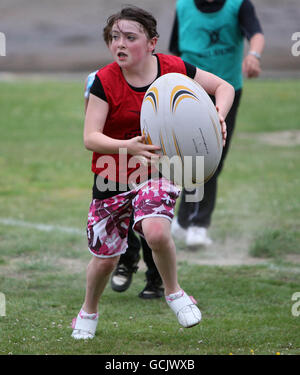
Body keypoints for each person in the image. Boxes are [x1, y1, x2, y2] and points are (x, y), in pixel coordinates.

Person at [71, 6, 234, 340]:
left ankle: (174, 292)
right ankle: (89, 309)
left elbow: (225, 88)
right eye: (115, 37)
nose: (120, 44)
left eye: (130, 37)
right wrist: (127, 146)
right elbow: (90, 138)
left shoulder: (172, 70)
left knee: (157, 232)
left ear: (152, 43)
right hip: (111, 176)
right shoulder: (104, 81)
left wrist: (217, 115)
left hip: (158, 172)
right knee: (104, 260)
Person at [169, 0, 265, 246]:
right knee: (197, 157)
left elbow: (256, 34)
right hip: (190, 92)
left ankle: (183, 222)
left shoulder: (238, 4)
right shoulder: (183, 7)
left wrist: (253, 55)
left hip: (226, 92)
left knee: (214, 159)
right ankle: (196, 224)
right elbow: (174, 51)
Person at [84, 71, 164, 299]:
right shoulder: (97, 80)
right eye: (115, 38)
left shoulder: (160, 76)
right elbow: (92, 130)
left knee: (152, 225)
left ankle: (156, 277)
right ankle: (127, 261)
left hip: (151, 165)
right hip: (113, 166)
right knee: (117, 220)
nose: (120, 45)